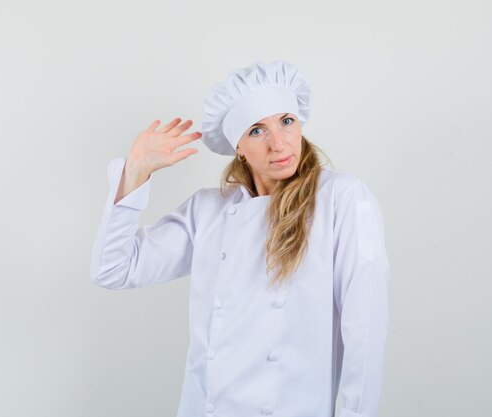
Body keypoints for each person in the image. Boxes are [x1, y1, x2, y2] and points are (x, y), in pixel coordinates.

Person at [89, 59, 390, 417]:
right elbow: (114, 269)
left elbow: (365, 330)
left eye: (287, 122)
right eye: (257, 131)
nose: (279, 143)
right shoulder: (208, 211)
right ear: (239, 147)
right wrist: (136, 171)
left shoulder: (342, 198)